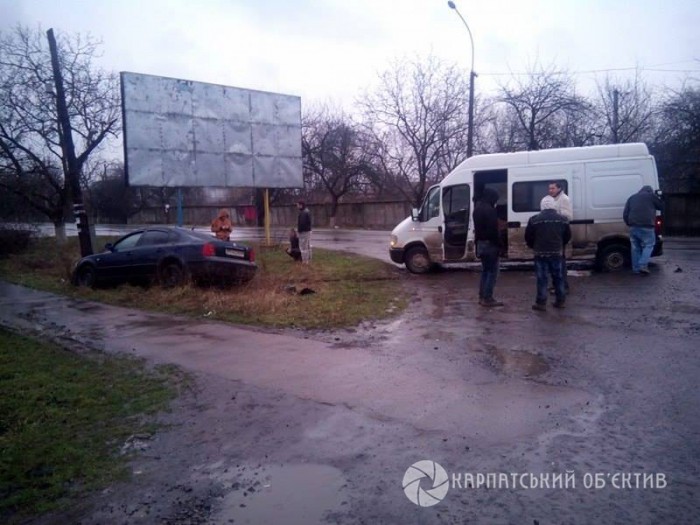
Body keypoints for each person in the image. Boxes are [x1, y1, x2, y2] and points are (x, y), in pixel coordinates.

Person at [525, 195, 572, 311]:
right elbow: (567, 236)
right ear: (554, 205)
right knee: (558, 277)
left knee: (542, 278)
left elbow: (528, 237)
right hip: (557, 252)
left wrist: (533, 246)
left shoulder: (534, 220)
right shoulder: (563, 220)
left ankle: (541, 303)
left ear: (541, 206)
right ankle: (560, 301)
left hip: (540, 253)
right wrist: (560, 245)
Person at [623, 185, 663, 275]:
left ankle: (636, 269)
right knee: (649, 245)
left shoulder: (632, 198)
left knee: (635, 248)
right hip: (647, 226)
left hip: (633, 226)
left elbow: (625, 213)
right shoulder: (651, 196)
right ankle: (642, 265)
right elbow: (661, 206)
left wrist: (629, 223)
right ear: (650, 191)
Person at [473, 188, 503, 307]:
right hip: (490, 244)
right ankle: (488, 298)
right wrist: (499, 245)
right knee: (492, 272)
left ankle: (482, 296)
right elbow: (493, 231)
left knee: (485, 271)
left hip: (480, 243)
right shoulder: (490, 211)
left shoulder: (477, 209)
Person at [548, 181, 573, 292]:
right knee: (554, 261)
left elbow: (568, 216)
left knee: (560, 262)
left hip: (560, 233)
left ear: (559, 188)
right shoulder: (554, 199)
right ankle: (556, 284)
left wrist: (554, 214)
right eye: (549, 188)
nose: (550, 190)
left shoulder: (564, 199)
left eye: (553, 188)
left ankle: (563, 286)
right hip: (554, 233)